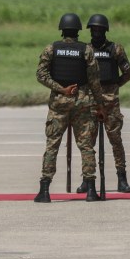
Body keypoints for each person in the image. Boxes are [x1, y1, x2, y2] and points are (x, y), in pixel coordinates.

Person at [34, 13, 105, 203]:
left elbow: (40, 75)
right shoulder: (86, 50)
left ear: (62, 30)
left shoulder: (51, 49)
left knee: (52, 146)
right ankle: (90, 190)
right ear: (78, 31)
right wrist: (100, 105)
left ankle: (45, 190)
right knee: (86, 146)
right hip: (83, 104)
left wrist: (61, 89)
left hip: (59, 104)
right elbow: (94, 81)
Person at [74, 13, 130, 194]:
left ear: (105, 30)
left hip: (111, 101)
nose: (97, 32)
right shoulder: (85, 49)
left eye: (100, 29)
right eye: (94, 29)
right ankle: (87, 179)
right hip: (91, 100)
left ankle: (122, 179)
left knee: (115, 140)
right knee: (87, 141)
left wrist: (114, 86)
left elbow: (128, 73)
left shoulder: (116, 49)